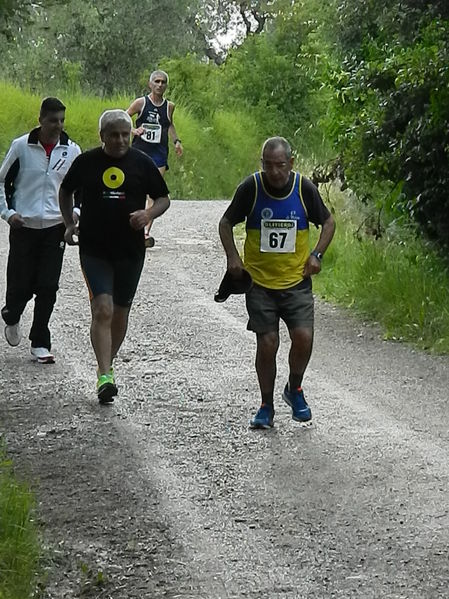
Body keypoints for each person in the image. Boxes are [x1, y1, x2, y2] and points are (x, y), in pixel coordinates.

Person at [218, 136, 335, 429]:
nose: (275, 172)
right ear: (262, 165)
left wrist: (317, 254)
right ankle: (266, 405)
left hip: (296, 281)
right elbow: (225, 222)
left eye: (280, 165)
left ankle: (294, 388)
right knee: (268, 343)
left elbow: (328, 222)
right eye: (268, 166)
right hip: (259, 283)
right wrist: (233, 258)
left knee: (304, 338)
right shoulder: (252, 188)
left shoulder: (303, 188)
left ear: (291, 163)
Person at [59, 109, 170, 403]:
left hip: (130, 250)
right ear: (102, 137)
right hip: (94, 248)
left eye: (125, 134)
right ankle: (106, 374)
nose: (120, 140)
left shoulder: (142, 163)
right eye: (114, 135)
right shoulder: (86, 162)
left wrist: (147, 214)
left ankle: (106, 363)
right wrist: (70, 223)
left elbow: (163, 199)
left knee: (120, 311)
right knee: (103, 308)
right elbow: (65, 190)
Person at [0, 97, 81, 363]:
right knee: (20, 286)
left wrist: (75, 214)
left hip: (55, 228)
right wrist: (8, 213)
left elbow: (80, 189)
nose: (58, 126)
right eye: (52, 121)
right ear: (40, 120)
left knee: (48, 286)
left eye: (61, 121)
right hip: (24, 226)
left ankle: (40, 341)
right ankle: (12, 315)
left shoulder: (72, 151)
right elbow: (2, 182)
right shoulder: (21, 147)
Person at [126, 69, 182, 247]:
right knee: (135, 189)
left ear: (166, 85)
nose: (160, 85)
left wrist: (177, 141)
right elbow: (123, 117)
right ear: (150, 84)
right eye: (156, 81)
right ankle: (130, 225)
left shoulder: (169, 106)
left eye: (163, 82)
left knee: (155, 192)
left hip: (159, 153)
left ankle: (144, 232)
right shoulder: (141, 103)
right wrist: (134, 130)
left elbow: (170, 124)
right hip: (139, 151)